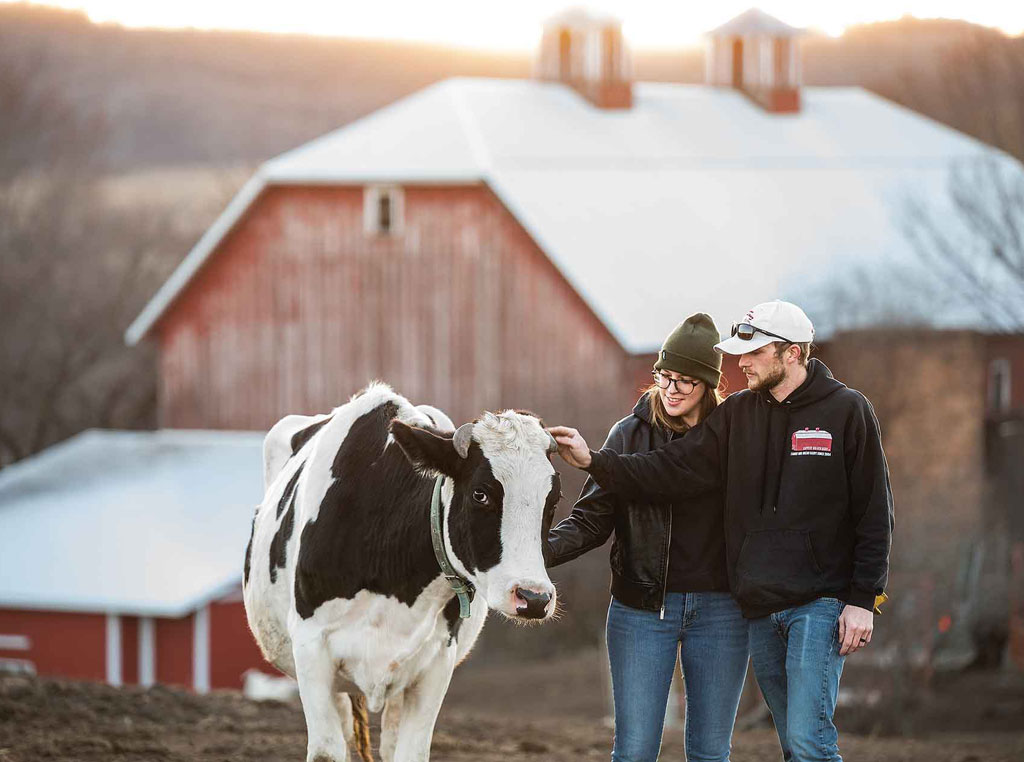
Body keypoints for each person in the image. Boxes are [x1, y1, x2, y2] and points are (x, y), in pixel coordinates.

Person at [550, 300, 893, 762]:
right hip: (737, 608)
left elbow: (874, 510)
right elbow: (670, 469)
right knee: (793, 743)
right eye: (665, 377)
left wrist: (864, 598)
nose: (742, 363)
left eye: (753, 354)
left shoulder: (846, 411)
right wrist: (593, 461)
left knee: (803, 742)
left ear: (791, 353)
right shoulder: (735, 415)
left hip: (790, 604)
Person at [546, 313, 749, 762]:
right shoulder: (628, 435)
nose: (672, 389)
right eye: (665, 376)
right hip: (641, 610)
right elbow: (591, 520)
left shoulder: (733, 437)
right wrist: (532, 555)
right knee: (635, 750)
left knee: (711, 752)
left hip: (722, 610)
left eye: (686, 380)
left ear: (709, 384)